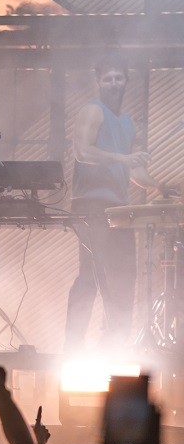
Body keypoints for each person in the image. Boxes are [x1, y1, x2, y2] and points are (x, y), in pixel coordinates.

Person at [64, 53, 170, 351]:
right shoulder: (92, 111)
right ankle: (72, 348)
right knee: (93, 274)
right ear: (99, 81)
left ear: (126, 82)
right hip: (90, 206)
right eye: (107, 77)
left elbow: (134, 170)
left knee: (124, 275)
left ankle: (113, 347)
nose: (113, 82)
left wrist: (159, 186)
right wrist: (123, 158)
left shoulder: (127, 123)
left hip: (120, 211)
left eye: (118, 77)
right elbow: (82, 152)